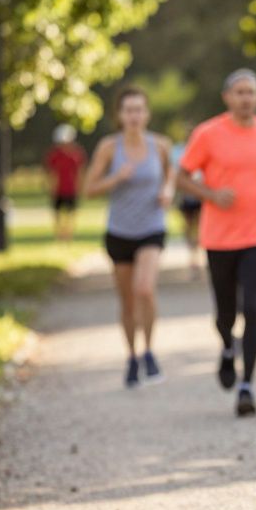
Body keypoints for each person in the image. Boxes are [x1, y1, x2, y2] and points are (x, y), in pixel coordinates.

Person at [176, 69, 256, 418]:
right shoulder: (207, 134)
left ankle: (247, 385)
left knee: (253, 307)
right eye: (239, 92)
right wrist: (210, 194)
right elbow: (181, 177)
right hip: (218, 237)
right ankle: (228, 346)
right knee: (225, 312)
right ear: (227, 97)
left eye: (251, 92)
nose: (246, 98)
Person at [82, 87, 175, 388]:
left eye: (139, 110)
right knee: (127, 301)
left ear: (147, 114)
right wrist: (115, 178)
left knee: (144, 290)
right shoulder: (109, 147)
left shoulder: (160, 145)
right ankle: (132, 357)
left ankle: (149, 350)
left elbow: (172, 174)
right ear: (120, 116)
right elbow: (89, 188)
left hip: (152, 228)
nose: (134, 116)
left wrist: (168, 192)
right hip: (119, 231)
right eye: (128, 110)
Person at [171, 124, 204, 279]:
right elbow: (174, 175)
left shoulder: (205, 149)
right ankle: (193, 258)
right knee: (189, 227)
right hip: (186, 197)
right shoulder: (178, 151)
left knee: (202, 228)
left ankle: (201, 257)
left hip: (203, 197)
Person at [44, 124, 86, 242]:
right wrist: (51, 187)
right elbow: (51, 173)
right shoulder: (54, 155)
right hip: (58, 190)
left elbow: (80, 172)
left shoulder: (77, 154)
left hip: (71, 189)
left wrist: (80, 187)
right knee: (57, 213)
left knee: (71, 213)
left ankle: (68, 235)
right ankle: (59, 235)